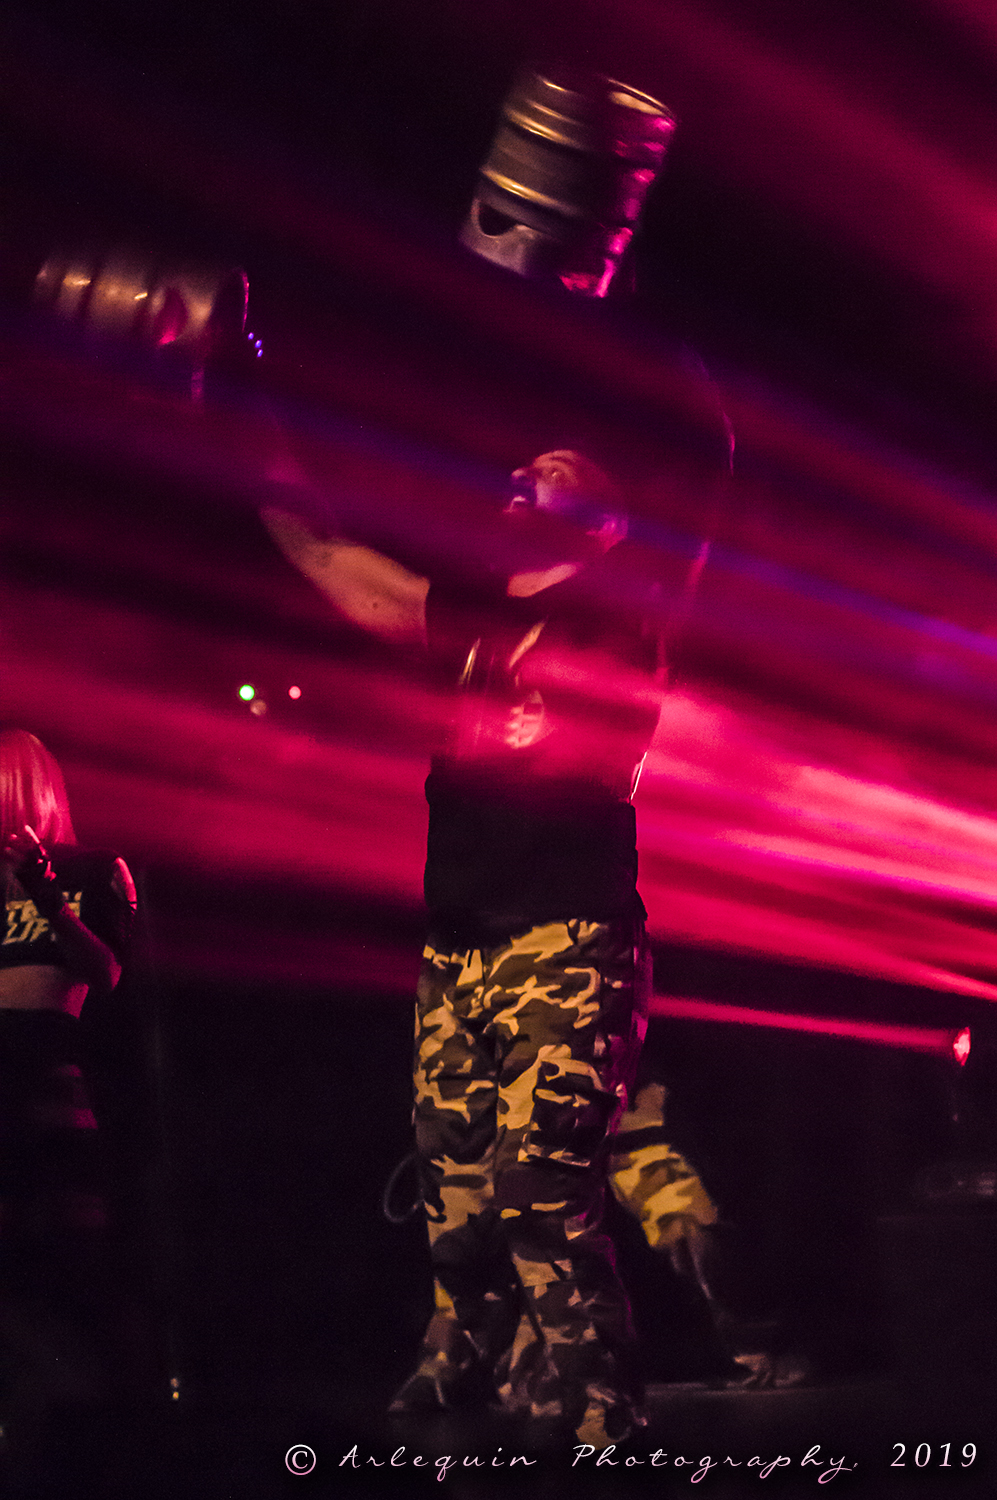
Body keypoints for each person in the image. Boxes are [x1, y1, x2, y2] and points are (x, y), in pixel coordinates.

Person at [263, 445, 669, 1446]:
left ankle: (599, 1394)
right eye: (522, 465)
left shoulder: (621, 614)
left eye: (557, 468)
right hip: (459, 945)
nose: (525, 473)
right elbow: (327, 558)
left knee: (540, 1186)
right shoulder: (472, 617)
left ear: (605, 520)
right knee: (456, 1197)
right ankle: (472, 1366)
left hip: (566, 936)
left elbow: (708, 494)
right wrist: (241, 421)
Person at [0, 729, 137, 1458]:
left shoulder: (92, 868)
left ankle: (85, 1423)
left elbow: (106, 972)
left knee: (63, 1248)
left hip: (45, 1064)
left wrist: (50, 898)